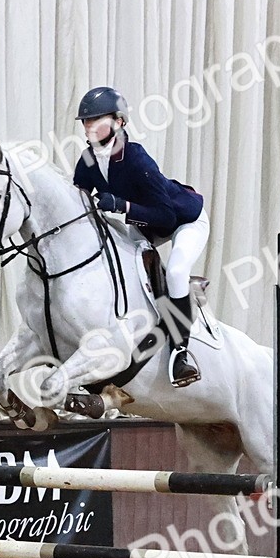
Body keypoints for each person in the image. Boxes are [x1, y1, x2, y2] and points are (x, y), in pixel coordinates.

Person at [72, 86, 209, 387]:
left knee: (174, 271)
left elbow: (166, 216)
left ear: (119, 122)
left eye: (97, 120)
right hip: (146, 225)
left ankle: (180, 353)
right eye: (86, 121)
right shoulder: (88, 160)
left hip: (183, 220)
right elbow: (77, 199)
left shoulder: (136, 159)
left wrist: (121, 205)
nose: (89, 126)